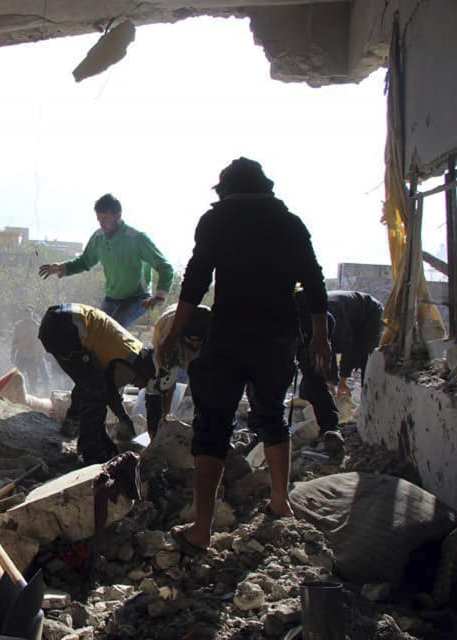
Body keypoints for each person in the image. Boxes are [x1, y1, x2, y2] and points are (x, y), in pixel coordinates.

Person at [159, 158, 330, 553]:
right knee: (271, 414)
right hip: (277, 337)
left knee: (212, 424)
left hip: (229, 336)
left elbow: (196, 280)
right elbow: (314, 279)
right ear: (265, 187)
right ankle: (280, 501)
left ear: (225, 190)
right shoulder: (290, 223)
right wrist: (320, 335)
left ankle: (201, 529)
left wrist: (173, 332)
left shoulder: (216, 221)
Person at [38, 303, 157, 465]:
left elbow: (103, 384)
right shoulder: (129, 358)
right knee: (95, 392)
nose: (141, 387)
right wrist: (124, 419)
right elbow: (108, 392)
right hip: (68, 327)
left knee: (87, 381)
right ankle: (91, 451)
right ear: (146, 371)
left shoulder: (132, 351)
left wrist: (123, 418)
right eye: (145, 383)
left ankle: (71, 423)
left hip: (58, 323)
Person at [39, 193, 174, 327]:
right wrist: (62, 267)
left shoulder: (137, 238)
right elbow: (85, 261)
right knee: (96, 332)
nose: (101, 224)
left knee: (113, 328)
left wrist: (160, 296)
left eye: (105, 219)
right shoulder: (98, 238)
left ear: (118, 216)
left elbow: (165, 267)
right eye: (98, 220)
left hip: (137, 298)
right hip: (111, 298)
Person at [145, 303, 212, 439]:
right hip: (171, 341)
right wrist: (166, 414)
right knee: (163, 379)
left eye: (197, 341)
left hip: (205, 349)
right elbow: (166, 378)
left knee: (204, 382)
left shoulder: (216, 332)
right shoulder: (166, 328)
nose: (194, 344)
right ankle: (156, 433)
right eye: (190, 340)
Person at [295, 289, 343, 461]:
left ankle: (330, 429)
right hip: (304, 332)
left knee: (314, 379)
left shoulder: (297, 299)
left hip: (314, 331)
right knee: (309, 385)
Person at [326, 290, 384, 397]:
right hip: (350, 315)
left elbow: (349, 347)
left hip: (370, 312)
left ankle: (367, 397)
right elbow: (328, 348)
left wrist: (343, 380)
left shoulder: (335, 320)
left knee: (364, 353)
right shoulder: (312, 323)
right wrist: (331, 381)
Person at [11, 306, 50, 395]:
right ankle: (18, 393)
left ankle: (32, 394)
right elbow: (14, 341)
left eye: (30, 314)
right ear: (23, 315)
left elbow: (40, 343)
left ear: (32, 315)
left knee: (33, 378)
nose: (28, 316)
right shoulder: (19, 326)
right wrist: (12, 354)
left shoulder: (37, 326)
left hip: (32, 356)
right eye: (26, 315)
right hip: (21, 355)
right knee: (17, 376)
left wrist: (40, 355)